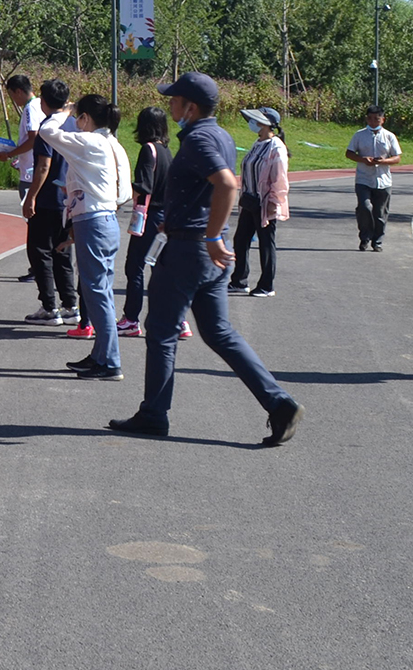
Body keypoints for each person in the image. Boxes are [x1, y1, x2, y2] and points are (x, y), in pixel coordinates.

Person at [109, 72, 303, 446]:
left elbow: (228, 184)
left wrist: (210, 234)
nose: (170, 105)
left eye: (174, 99)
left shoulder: (198, 138)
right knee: (218, 332)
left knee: (162, 331)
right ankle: (279, 404)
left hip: (190, 249)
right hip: (205, 249)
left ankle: (153, 414)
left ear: (190, 106)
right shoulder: (221, 135)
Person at [42, 94, 133, 380]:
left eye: (78, 117)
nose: (75, 123)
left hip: (92, 221)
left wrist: (63, 111)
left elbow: (46, 132)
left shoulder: (90, 141)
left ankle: (109, 362)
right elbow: (124, 193)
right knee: (100, 293)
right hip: (105, 219)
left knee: (97, 296)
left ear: (85, 118)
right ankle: (100, 356)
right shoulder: (113, 144)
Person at [20, 79, 79, 326]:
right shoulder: (75, 125)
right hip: (71, 199)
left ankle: (49, 306)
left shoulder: (47, 128)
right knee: (63, 252)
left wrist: (31, 196)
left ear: (43, 101)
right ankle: (70, 305)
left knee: (40, 251)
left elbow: (43, 166)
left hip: (48, 199)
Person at [119, 106, 172, 336]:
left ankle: (131, 318)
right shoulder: (167, 151)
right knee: (164, 270)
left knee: (135, 268)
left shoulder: (147, 150)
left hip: (148, 216)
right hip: (165, 216)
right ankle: (177, 319)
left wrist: (123, 191)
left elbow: (144, 185)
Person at [229, 107, 290, 297]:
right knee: (240, 240)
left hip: (265, 203)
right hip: (250, 201)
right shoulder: (258, 143)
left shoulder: (276, 147)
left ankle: (266, 285)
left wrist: (274, 201)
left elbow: (280, 178)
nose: (252, 123)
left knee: (266, 243)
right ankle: (239, 280)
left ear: (266, 123)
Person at [0, 74, 45, 282]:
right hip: (30, 168)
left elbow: (33, 139)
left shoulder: (30, 109)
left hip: (31, 174)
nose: (13, 101)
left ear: (18, 91)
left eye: (12, 96)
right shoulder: (40, 107)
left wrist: (10, 153)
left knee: (33, 223)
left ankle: (37, 268)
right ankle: (39, 267)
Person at [346, 105, 401, 252]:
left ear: (383, 120)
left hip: (383, 180)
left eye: (376, 119)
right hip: (363, 179)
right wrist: (363, 159)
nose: (373, 122)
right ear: (366, 119)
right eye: (370, 119)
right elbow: (349, 153)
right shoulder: (359, 135)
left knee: (380, 213)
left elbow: (397, 158)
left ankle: (377, 242)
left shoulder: (389, 136)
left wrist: (383, 161)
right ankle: (365, 237)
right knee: (364, 207)